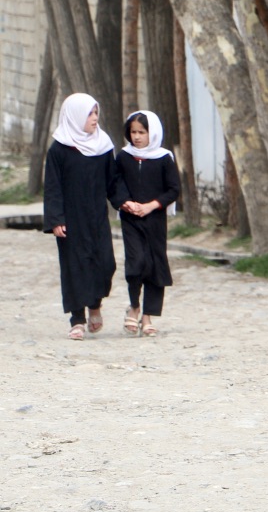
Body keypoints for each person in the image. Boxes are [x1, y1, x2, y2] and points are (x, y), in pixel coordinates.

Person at [43, 93, 118, 340]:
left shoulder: (103, 145)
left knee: (105, 263)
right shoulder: (59, 149)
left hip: (97, 217)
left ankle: (95, 303)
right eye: (90, 114)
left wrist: (126, 203)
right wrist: (56, 219)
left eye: (96, 113)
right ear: (75, 116)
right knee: (75, 267)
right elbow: (53, 187)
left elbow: (112, 182)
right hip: (70, 219)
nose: (95, 118)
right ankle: (77, 319)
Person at [112, 110, 180, 338]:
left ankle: (149, 315)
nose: (137, 137)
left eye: (142, 132)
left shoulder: (164, 158)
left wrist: (151, 205)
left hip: (155, 219)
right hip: (131, 219)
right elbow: (114, 184)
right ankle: (134, 305)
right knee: (136, 261)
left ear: (153, 133)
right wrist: (125, 203)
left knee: (154, 263)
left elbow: (173, 189)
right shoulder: (123, 157)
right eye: (133, 132)